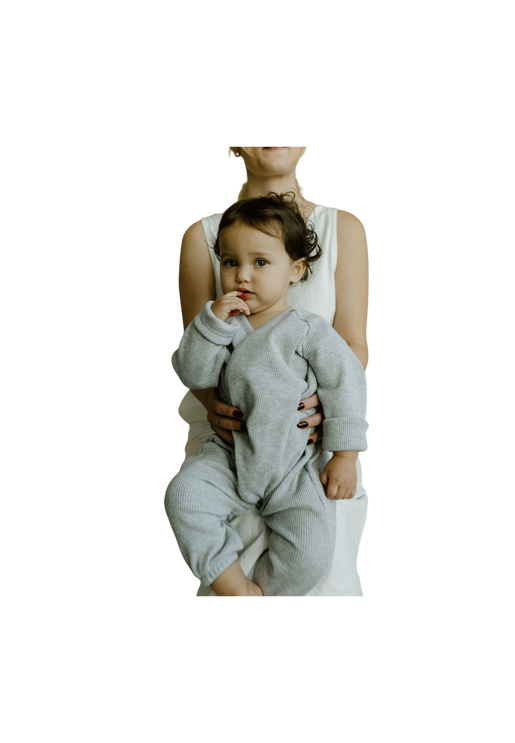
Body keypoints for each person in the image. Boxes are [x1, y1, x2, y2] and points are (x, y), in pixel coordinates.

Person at [168, 144, 371, 599]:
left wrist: (343, 448)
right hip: (227, 446)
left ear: (297, 269)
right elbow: (192, 367)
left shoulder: (344, 230)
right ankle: (237, 588)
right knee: (184, 498)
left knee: (316, 560)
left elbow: (350, 360)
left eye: (261, 262)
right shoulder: (203, 239)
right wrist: (212, 331)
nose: (243, 276)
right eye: (232, 263)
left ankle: (270, 592)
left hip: (301, 452)